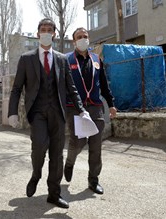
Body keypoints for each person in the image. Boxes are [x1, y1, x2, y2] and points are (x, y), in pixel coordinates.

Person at [8, 18, 88, 209]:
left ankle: (54, 193)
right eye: (42, 30)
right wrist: (12, 112)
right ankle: (36, 174)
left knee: (57, 154)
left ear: (54, 34)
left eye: (49, 30)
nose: (46, 33)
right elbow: (17, 87)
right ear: (37, 34)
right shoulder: (27, 58)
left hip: (58, 113)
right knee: (39, 148)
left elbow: (71, 88)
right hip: (37, 113)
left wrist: (81, 110)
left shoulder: (61, 59)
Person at [64, 27, 117, 195]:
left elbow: (104, 84)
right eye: (79, 37)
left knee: (95, 145)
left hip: (95, 107)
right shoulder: (66, 60)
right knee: (78, 142)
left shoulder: (96, 59)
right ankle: (70, 162)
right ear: (74, 41)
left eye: (85, 36)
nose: (83, 39)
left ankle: (93, 181)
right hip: (74, 108)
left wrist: (111, 104)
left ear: (89, 39)